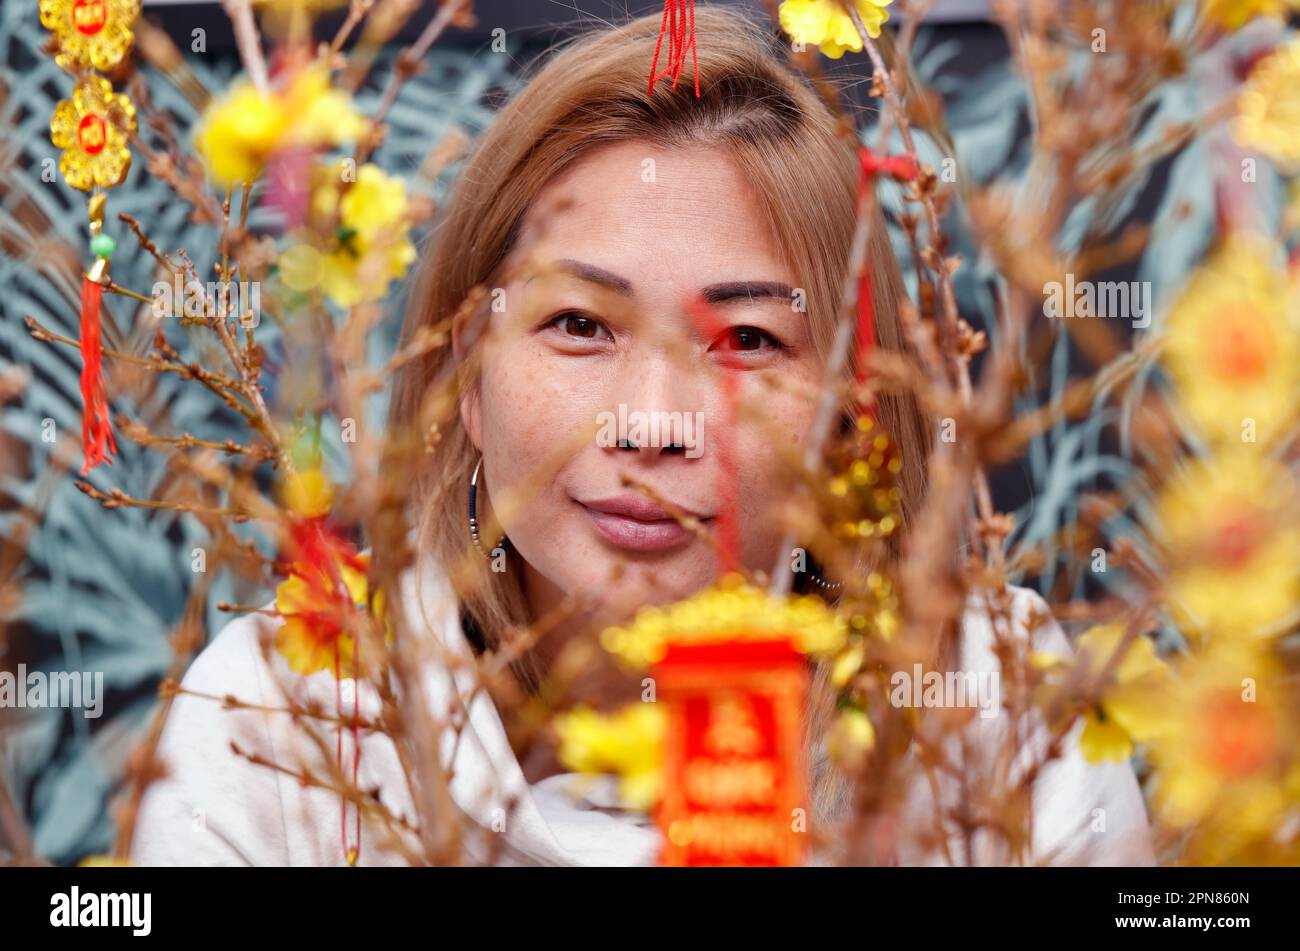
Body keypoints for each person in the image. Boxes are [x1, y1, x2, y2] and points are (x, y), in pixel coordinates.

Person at [131, 7, 1154, 866]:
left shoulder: (995, 708)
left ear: (851, 408)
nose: (652, 421)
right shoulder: (288, 714)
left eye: (747, 337)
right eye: (578, 324)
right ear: (465, 380)